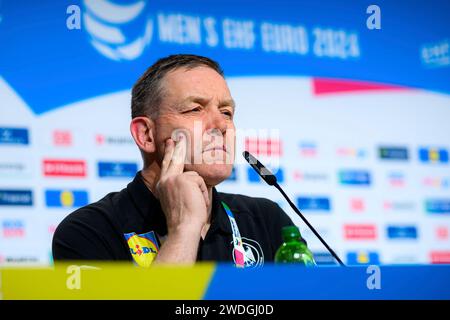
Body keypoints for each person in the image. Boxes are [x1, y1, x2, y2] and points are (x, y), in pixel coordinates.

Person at [52, 54, 303, 268]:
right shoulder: (89, 231)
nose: (220, 125)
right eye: (195, 109)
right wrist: (184, 229)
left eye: (226, 112)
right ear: (146, 135)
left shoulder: (266, 220)